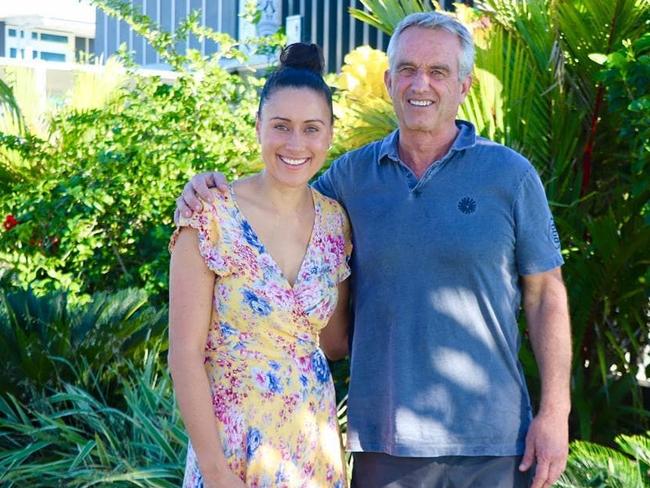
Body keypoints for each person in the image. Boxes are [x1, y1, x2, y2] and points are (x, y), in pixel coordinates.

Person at [177, 12, 572, 488]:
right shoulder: (349, 179)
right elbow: (277, 196)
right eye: (407, 69)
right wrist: (204, 188)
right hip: (385, 445)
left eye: (438, 72)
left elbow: (546, 294)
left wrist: (555, 413)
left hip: (494, 441)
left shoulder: (510, 176)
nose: (419, 84)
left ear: (464, 85)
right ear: (388, 81)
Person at [168, 43, 351, 487]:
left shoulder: (334, 222)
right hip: (232, 450)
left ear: (329, 134)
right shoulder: (211, 214)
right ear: (257, 127)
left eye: (311, 129)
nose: (295, 144)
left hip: (314, 451)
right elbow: (184, 355)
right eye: (281, 127)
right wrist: (215, 472)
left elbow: (333, 343)